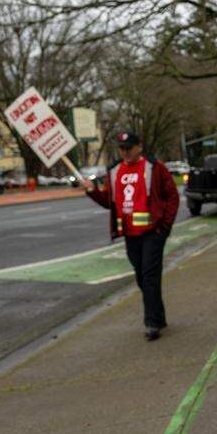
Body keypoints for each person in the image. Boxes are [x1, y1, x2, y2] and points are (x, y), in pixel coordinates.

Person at [79, 131, 180, 341]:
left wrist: (165, 226)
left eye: (129, 148)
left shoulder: (154, 167)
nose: (125, 152)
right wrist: (92, 191)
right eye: (122, 148)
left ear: (139, 147)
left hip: (153, 232)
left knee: (150, 277)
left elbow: (172, 196)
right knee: (142, 277)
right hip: (130, 235)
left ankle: (151, 323)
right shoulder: (115, 171)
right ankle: (158, 317)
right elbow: (110, 200)